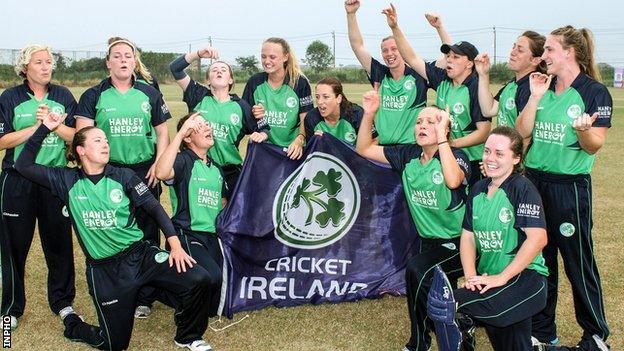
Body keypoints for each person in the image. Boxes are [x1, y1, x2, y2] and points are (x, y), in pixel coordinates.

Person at [15, 115, 214, 351]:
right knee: (113, 345)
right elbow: (23, 165)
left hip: (140, 256)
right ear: (81, 150)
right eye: (98, 140)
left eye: (106, 141)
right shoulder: (65, 180)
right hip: (105, 271)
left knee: (199, 278)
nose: (106, 144)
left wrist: (176, 245)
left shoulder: (123, 176)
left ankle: (188, 336)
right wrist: (45, 127)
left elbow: (153, 207)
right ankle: (72, 323)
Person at [515, 26, 612, 351]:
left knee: (577, 261)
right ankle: (543, 332)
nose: (543, 58)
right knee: (540, 260)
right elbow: (522, 131)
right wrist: (536, 97)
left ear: (570, 52)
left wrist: (583, 131)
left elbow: (594, 145)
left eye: (550, 51)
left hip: (568, 188)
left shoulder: (594, 92)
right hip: (534, 184)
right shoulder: (542, 86)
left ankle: (595, 335)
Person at [355, 89, 470, 351]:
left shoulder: (456, 157)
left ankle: (419, 343)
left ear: (446, 129)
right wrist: (369, 114)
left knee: (418, 270)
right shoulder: (407, 156)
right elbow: (363, 148)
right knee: (434, 287)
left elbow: (453, 180)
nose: (423, 125)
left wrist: (443, 141)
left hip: (461, 243)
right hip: (429, 242)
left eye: (432, 121)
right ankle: (456, 325)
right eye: (419, 121)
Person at [428, 126, 548, 351]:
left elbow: (538, 239)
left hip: (526, 280)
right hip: (490, 280)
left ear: (516, 159)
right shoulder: (478, 189)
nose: (490, 158)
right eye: (487, 151)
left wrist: (502, 277)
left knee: (449, 305)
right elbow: (468, 237)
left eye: (499, 154)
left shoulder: (523, 189)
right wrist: (471, 276)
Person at [0, 44, 77, 331]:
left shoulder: (64, 96)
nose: (46, 67)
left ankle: (63, 303)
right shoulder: (10, 97)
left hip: (53, 178)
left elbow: (76, 137)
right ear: (25, 68)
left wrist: (54, 125)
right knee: (13, 247)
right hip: (17, 179)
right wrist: (37, 128)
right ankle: (10, 309)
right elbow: (2, 141)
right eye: (39, 62)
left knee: (58, 244)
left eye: (49, 62)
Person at [382, 4, 491, 186]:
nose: (449, 59)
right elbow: (411, 58)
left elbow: (484, 132)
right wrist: (394, 27)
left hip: (471, 160)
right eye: (448, 56)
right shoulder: (441, 79)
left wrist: (451, 144)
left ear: (470, 64)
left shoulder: (476, 87)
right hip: (444, 154)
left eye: (456, 57)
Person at [345, 0, 450, 145]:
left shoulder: (418, 74)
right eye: (385, 50)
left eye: (394, 49)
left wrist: (440, 28)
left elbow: (447, 58)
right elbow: (357, 45)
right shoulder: (379, 74)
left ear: (402, 49)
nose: (389, 54)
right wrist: (351, 14)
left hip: (411, 148)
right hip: (383, 149)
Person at [169, 46, 268, 197]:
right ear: (208, 80)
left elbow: (263, 129)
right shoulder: (198, 95)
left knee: (230, 216)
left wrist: (262, 134)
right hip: (199, 166)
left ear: (230, 79)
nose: (219, 71)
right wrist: (198, 54)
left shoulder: (241, 106)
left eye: (223, 69)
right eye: (214, 70)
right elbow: (175, 68)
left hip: (230, 171)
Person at [155, 113, 225, 318]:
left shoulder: (217, 169)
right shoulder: (183, 161)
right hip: (186, 234)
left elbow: (222, 203)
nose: (207, 128)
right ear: (187, 137)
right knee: (210, 277)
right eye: (199, 126)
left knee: (212, 306)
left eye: (207, 124)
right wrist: (179, 134)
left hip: (211, 237)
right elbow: (160, 173)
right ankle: (150, 285)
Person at [242, 37, 313, 160]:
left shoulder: (299, 82)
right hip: (263, 149)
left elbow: (306, 118)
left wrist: (300, 139)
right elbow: (245, 120)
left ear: (285, 57)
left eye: (272, 57)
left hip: (292, 151)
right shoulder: (254, 82)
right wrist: (254, 116)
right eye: (263, 56)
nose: (267, 61)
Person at [475, 31, 546, 128]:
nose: (512, 52)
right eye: (514, 47)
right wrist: (483, 74)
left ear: (535, 60)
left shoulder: (532, 88)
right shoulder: (512, 85)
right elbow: (489, 110)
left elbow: (525, 133)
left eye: (520, 50)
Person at [304, 77, 364, 146]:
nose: (319, 102)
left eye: (326, 97)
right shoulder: (311, 118)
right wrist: (316, 142)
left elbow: (373, 141)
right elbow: (311, 150)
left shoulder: (357, 114)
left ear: (338, 98)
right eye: (317, 97)